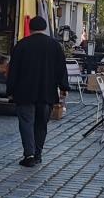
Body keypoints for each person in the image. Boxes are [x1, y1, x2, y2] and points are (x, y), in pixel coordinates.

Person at [8, 15, 69, 167]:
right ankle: (38, 153)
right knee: (41, 124)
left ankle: (29, 154)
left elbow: (13, 70)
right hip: (46, 92)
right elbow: (61, 68)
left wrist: (10, 89)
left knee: (26, 123)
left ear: (30, 28)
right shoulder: (54, 46)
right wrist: (63, 88)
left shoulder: (21, 45)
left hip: (25, 92)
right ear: (45, 28)